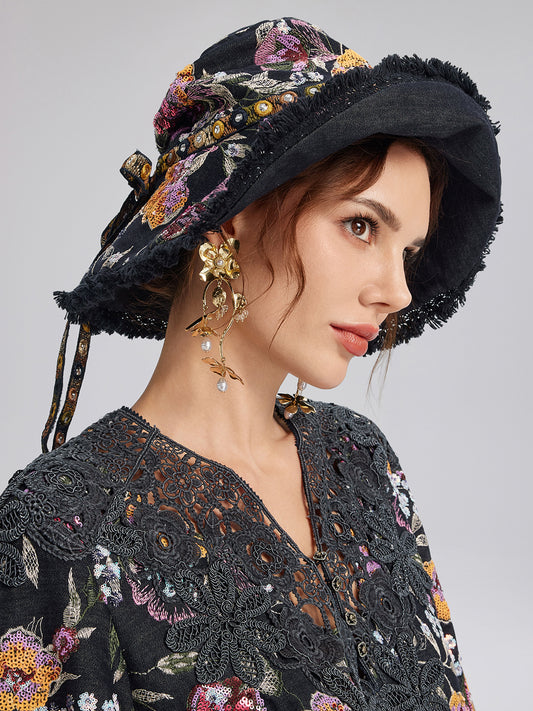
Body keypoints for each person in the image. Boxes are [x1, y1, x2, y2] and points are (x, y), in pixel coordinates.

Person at [0, 17, 500, 711]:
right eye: (361, 225)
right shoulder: (61, 526)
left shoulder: (359, 461)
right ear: (233, 211)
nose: (397, 290)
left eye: (408, 252)